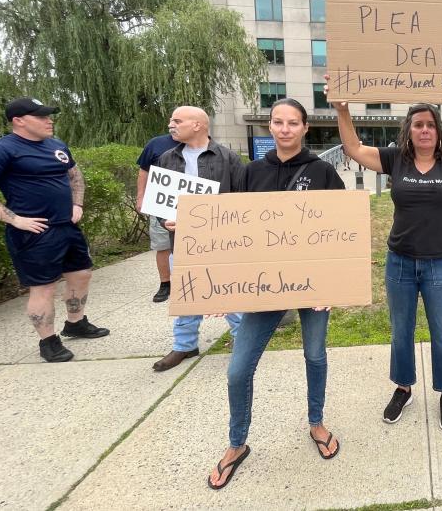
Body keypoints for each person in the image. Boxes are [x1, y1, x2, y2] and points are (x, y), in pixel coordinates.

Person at [328, 79, 442, 430]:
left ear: (438, 131)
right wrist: (343, 110)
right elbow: (352, 147)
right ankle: (403, 387)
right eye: (418, 124)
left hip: (441, 262)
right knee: (401, 331)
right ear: (409, 131)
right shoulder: (394, 159)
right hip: (400, 261)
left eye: (430, 124)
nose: (425, 130)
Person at [207, 99, 346, 489]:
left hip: (313, 286)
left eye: (293, 123)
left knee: (315, 355)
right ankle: (237, 444)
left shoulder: (321, 171)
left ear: (305, 128)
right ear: (270, 127)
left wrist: (333, 284)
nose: (284, 129)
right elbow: (233, 232)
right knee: (237, 370)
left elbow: (342, 231)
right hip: (264, 286)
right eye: (277, 122)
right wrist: (222, 288)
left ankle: (316, 422)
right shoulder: (251, 172)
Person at [0, 97, 109, 362]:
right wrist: (14, 219)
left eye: (49, 116)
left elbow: (75, 176)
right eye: (41, 117)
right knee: (44, 287)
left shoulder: (56, 145)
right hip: (34, 232)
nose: (49, 120)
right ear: (18, 121)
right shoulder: (1, 150)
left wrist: (77, 204)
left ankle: (76, 323)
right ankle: (48, 341)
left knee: (81, 274)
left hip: (67, 226)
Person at [152, 106, 246, 372]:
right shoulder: (166, 159)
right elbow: (160, 201)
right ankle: (184, 345)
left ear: (198, 125)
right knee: (185, 293)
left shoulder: (228, 158)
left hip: (221, 242)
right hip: (181, 240)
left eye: (177, 120)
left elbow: (242, 198)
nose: (171, 124)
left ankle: (243, 341)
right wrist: (164, 221)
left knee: (230, 293)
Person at [136, 132, 181, 302]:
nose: (172, 125)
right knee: (162, 245)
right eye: (171, 121)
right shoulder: (155, 144)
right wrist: (140, 197)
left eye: (177, 121)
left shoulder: (201, 146)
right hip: (162, 205)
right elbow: (143, 171)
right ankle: (165, 283)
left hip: (193, 204)